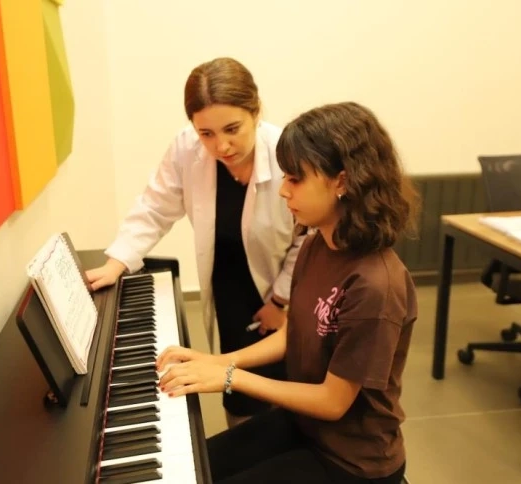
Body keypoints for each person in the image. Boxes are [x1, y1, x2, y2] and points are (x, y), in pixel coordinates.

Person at [156, 102, 420, 483]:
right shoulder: (315, 245)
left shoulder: (376, 285)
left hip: (351, 461)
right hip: (304, 425)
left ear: (342, 182)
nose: (282, 190)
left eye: (295, 179)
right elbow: (293, 331)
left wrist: (230, 376)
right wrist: (218, 361)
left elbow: (333, 401)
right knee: (192, 468)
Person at [86, 57, 303, 427]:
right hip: (228, 282)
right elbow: (154, 207)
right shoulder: (186, 149)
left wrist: (281, 300)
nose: (222, 146)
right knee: (238, 388)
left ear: (255, 111)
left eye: (232, 129)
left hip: (285, 283)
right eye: (206, 133)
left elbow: (307, 238)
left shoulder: (286, 152)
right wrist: (116, 262)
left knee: (286, 380)